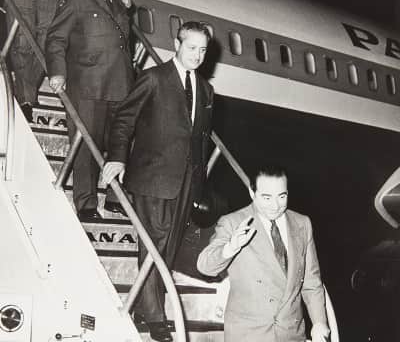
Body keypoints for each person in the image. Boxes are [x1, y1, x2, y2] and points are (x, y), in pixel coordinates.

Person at [102, 21, 214, 342]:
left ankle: (145, 305)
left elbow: (200, 140)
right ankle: (155, 317)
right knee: (154, 243)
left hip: (186, 182)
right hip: (152, 176)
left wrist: (199, 182)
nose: (197, 55)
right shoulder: (153, 78)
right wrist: (118, 157)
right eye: (191, 48)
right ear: (176, 45)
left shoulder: (206, 90)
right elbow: (124, 119)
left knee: (169, 246)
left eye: (202, 50)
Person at [45, 0, 135, 221]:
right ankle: (86, 202)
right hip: (87, 85)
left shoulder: (117, 3)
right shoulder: (76, 0)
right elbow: (56, 39)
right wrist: (58, 72)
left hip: (120, 84)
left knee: (120, 141)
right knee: (86, 143)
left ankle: (115, 197)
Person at [197, 164, 330, 342]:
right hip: (249, 336)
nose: (275, 206)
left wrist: (319, 322)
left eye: (282, 196)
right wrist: (230, 247)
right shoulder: (232, 222)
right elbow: (205, 266)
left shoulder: (302, 223)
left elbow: (311, 282)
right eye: (266, 198)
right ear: (252, 193)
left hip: (291, 334)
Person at [0, 0, 77, 122]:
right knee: (21, 45)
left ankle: (28, 91)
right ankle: (26, 99)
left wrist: (74, 0)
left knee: (44, 47)